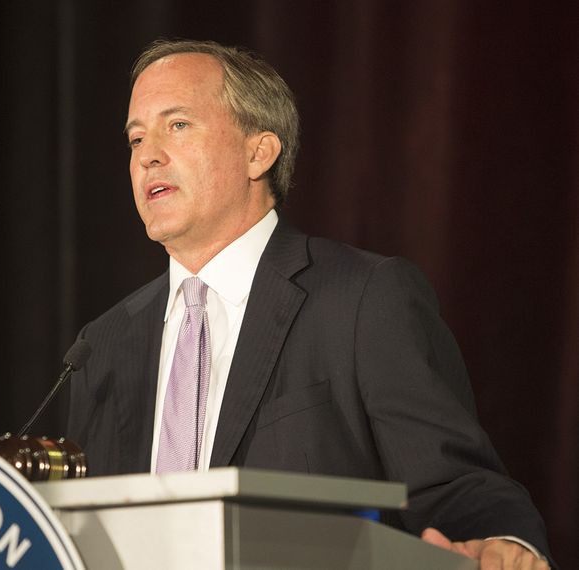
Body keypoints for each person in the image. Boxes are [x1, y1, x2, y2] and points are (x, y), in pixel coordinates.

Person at [66, 39, 554, 569]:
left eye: (177, 125)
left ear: (259, 152)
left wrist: (502, 543)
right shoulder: (104, 343)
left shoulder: (362, 299)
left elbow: (454, 485)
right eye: (136, 138)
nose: (147, 155)